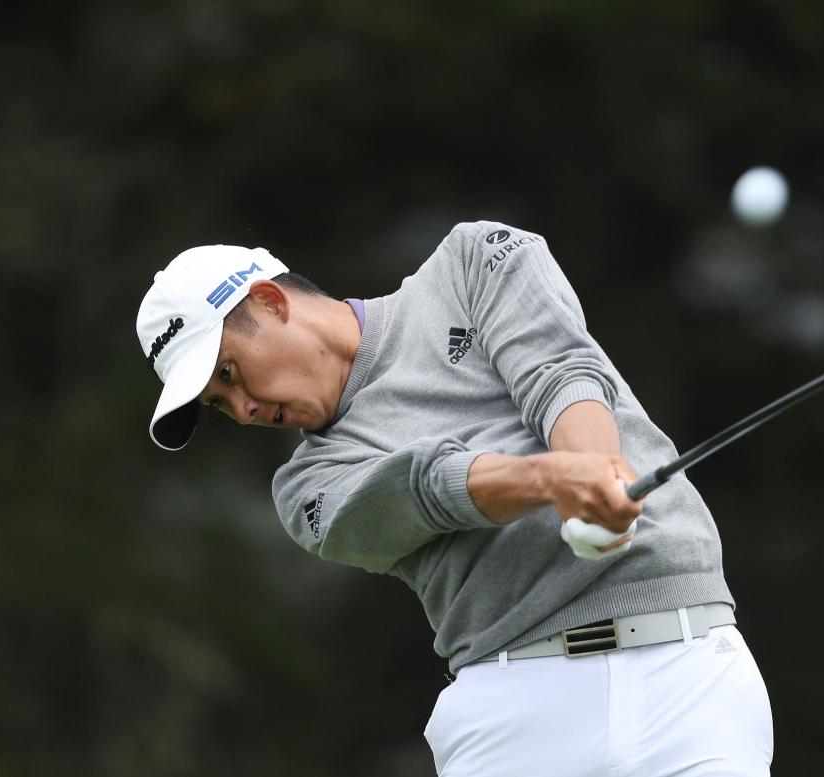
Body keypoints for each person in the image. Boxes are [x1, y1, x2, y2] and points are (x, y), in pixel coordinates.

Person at [136, 222, 774, 776]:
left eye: (228, 372)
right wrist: (556, 482)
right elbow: (423, 489)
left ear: (272, 302)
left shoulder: (473, 262)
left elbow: (559, 370)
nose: (243, 409)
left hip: (687, 671)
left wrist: (593, 473)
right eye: (220, 406)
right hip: (514, 712)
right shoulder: (308, 487)